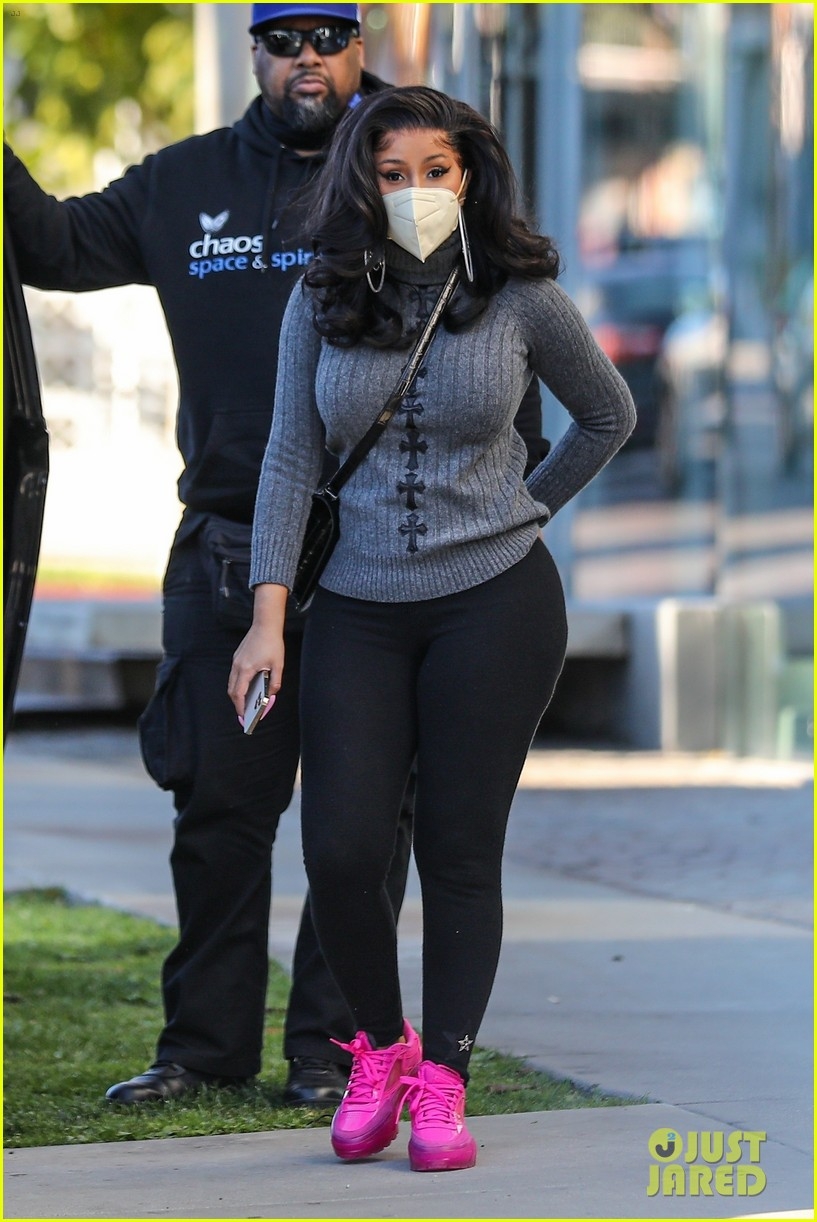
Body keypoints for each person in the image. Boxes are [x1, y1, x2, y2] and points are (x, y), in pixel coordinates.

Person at [3, 8, 549, 1108]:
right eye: (284, 37)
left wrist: (500, 514)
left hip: (377, 564)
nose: (309, 57)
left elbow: (515, 361)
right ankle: (202, 1049)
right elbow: (50, 245)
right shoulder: (184, 181)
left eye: (330, 35)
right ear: (251, 50)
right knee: (216, 807)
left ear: (359, 45)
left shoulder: (414, 170)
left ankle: (336, 1052)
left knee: (364, 824)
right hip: (224, 545)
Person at [228, 85, 636, 1172]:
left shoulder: (521, 296)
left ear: (469, 177)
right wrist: (267, 620)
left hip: (494, 602)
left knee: (458, 849)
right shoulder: (319, 295)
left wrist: (524, 507)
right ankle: (380, 1048)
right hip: (357, 608)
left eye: (435, 171)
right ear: (362, 183)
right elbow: (289, 456)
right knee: (342, 850)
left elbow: (608, 414)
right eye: (392, 173)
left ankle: (445, 1080)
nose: (415, 190)